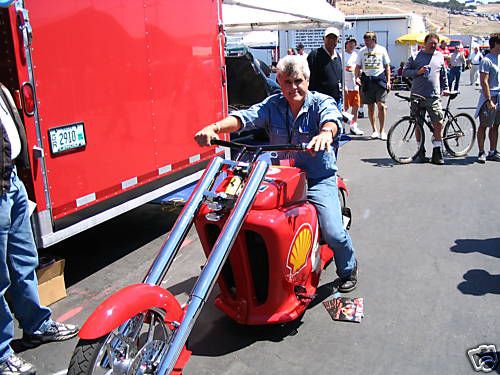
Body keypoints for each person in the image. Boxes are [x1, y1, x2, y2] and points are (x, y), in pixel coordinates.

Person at [194, 55, 358, 293]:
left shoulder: (322, 103)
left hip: (317, 179)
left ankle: (348, 268)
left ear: (307, 80)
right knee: (247, 219)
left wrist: (325, 134)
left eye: (298, 81)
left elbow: (332, 121)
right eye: (287, 82)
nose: (293, 87)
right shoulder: (273, 105)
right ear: (279, 82)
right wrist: (215, 128)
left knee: (333, 231)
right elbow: (244, 118)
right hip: (282, 177)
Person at [0, 83, 79, 375]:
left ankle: (37, 325)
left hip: (12, 185)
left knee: (24, 261)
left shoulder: (1, 90)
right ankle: (1, 353)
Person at [403, 33, 450, 165]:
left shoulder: (440, 56)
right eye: (431, 43)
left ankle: (437, 151)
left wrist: (445, 88)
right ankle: (420, 151)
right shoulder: (415, 56)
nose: (434, 45)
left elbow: (443, 74)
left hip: (433, 96)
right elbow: (405, 72)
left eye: (436, 43)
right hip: (417, 95)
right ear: (425, 43)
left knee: (438, 123)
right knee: (418, 123)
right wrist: (417, 72)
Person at [354, 31, 391, 140]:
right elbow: (357, 66)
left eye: (368, 41)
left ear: (374, 40)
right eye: (365, 41)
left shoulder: (381, 50)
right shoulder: (362, 51)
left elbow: (387, 66)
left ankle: (382, 130)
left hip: (379, 80)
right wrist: (356, 77)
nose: (366, 43)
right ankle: (374, 130)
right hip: (367, 81)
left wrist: (388, 81)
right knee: (370, 107)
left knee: (381, 105)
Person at [475, 33, 500, 163]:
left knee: (495, 125)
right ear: (495, 44)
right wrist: (489, 100)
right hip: (489, 96)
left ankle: (493, 151)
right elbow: (484, 81)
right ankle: (481, 152)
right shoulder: (486, 60)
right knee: (484, 125)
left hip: (499, 96)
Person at [307, 27, 343, 112]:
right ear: (323, 39)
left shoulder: (337, 56)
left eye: (334, 38)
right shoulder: (315, 55)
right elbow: (309, 78)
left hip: (336, 100)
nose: (332, 41)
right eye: (329, 38)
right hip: (320, 101)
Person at [343, 37, 364, 135]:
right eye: (350, 43)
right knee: (344, 108)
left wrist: (359, 74)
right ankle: (341, 127)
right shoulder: (342, 55)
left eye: (353, 44)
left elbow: (359, 68)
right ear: (346, 44)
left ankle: (353, 126)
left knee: (355, 106)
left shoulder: (356, 55)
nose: (352, 45)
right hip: (346, 85)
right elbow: (340, 70)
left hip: (355, 85)